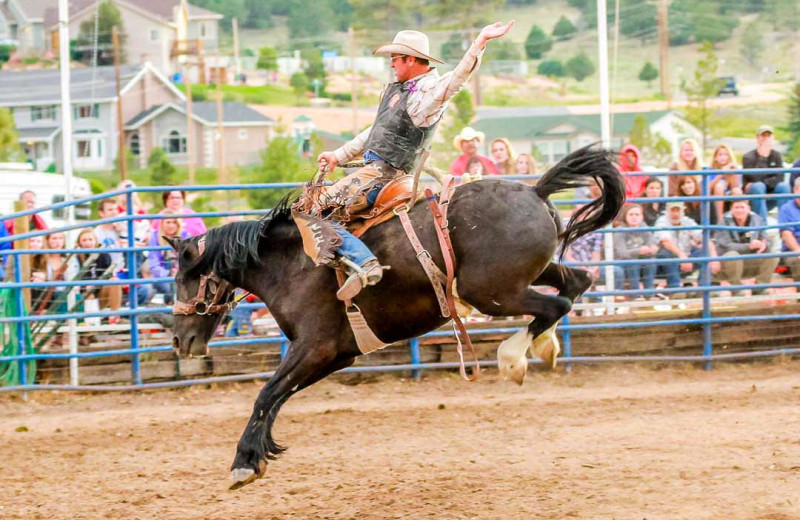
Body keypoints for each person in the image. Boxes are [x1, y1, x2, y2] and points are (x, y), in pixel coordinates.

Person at [312, 22, 514, 300]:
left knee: (315, 211)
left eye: (395, 58)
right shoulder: (398, 90)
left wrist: (479, 42)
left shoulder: (427, 93)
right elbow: (375, 131)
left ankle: (363, 262)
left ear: (409, 59)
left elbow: (457, 79)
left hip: (383, 175)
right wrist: (338, 155)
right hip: (375, 170)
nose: (391, 64)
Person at [713, 199, 776, 295]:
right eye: (736, 207)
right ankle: (736, 288)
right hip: (729, 264)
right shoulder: (723, 221)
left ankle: (760, 287)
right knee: (732, 255)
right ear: (731, 209)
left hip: (750, 260)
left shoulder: (757, 219)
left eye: (742, 207)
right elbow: (726, 245)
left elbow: (768, 241)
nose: (739, 210)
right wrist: (749, 246)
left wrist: (763, 244)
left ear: (748, 208)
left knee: (773, 254)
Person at [654, 201, 720, 291]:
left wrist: (714, 256)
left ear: (683, 211)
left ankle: (704, 288)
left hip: (686, 258)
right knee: (665, 253)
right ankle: (675, 289)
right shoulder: (662, 221)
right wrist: (682, 256)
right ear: (667, 211)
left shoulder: (687, 221)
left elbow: (703, 237)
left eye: (678, 211)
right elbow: (666, 242)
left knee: (705, 252)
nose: (675, 214)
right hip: (667, 264)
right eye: (672, 211)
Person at [65, 228, 122, 320]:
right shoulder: (76, 257)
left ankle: (115, 315)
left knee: (115, 281)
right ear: (79, 242)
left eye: (90, 239)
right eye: (84, 240)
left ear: (96, 241)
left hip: (100, 291)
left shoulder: (103, 255)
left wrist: (95, 284)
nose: (88, 243)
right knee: (88, 293)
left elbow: (108, 274)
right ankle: (90, 323)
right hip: (83, 294)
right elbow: (73, 277)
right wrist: (86, 285)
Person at [742, 125, 790, 222]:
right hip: (754, 196)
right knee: (758, 186)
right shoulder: (748, 157)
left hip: (771, 193)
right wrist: (763, 158)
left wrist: (765, 182)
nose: (766, 139)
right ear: (757, 138)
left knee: (783, 187)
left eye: (768, 136)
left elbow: (780, 177)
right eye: (763, 136)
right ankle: (762, 227)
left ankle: (785, 225)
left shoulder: (776, 155)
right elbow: (754, 178)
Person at [614, 204, 658, 298]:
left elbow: (651, 243)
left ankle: (649, 294)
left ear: (642, 217)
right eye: (631, 214)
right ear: (625, 216)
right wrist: (639, 251)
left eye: (637, 215)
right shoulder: (620, 231)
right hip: (623, 262)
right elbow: (621, 253)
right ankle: (636, 295)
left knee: (651, 260)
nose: (634, 217)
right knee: (633, 262)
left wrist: (653, 248)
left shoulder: (645, 228)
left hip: (641, 260)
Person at [147, 212, 188, 305]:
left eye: (174, 222)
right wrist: (168, 274)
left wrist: (180, 273)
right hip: (163, 275)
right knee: (169, 286)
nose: (171, 225)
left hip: (182, 274)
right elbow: (153, 263)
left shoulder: (185, 235)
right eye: (168, 222)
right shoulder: (155, 236)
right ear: (162, 223)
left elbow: (190, 259)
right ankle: (170, 308)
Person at [31, 231, 68, 314]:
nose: (57, 241)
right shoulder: (41, 258)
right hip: (49, 292)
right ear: (47, 241)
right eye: (54, 238)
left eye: (60, 238)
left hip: (64, 292)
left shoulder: (69, 259)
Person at [709, 144, 743, 224]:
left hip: (730, 197)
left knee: (737, 191)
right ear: (715, 157)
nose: (723, 157)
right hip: (716, 197)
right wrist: (721, 173)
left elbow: (736, 188)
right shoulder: (710, 170)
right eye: (720, 155)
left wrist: (733, 173)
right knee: (719, 186)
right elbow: (708, 188)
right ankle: (720, 221)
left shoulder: (734, 168)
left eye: (725, 154)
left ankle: (736, 220)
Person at [778, 177, 800, 280]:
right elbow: (786, 235)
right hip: (793, 251)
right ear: (795, 190)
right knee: (797, 261)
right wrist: (798, 251)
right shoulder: (786, 209)